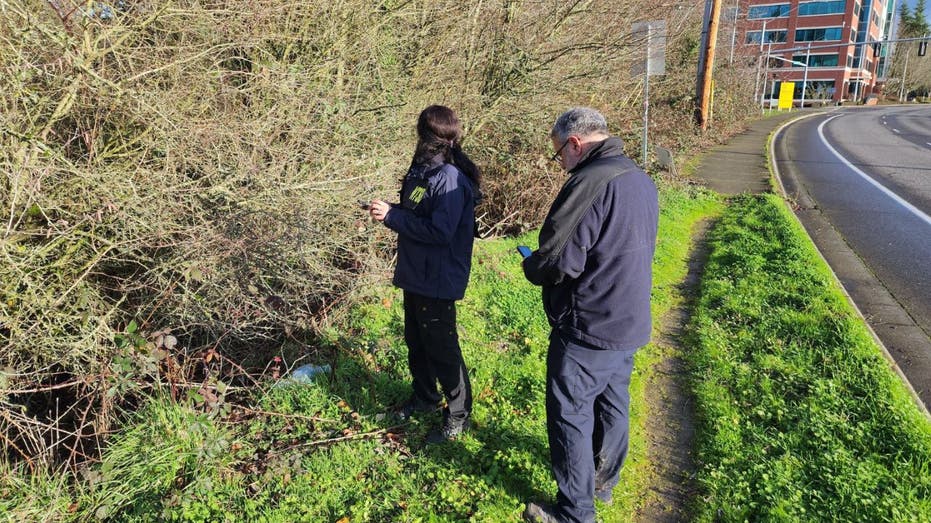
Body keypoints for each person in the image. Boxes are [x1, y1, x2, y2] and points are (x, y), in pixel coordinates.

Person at [520, 107, 659, 522]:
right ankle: (603, 484)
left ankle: (575, 513)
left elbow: (560, 261)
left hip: (588, 324)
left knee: (571, 414)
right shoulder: (639, 177)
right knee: (613, 404)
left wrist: (532, 265)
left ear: (575, 144)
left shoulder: (588, 183)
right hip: (629, 316)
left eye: (558, 152)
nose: (559, 161)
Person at [368, 105, 481, 444]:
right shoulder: (424, 171)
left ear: (426, 136)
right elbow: (417, 211)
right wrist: (390, 211)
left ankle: (458, 415)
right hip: (416, 275)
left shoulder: (448, 178)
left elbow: (440, 232)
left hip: (438, 279)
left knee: (442, 349)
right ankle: (424, 399)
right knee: (417, 343)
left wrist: (393, 218)